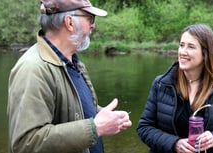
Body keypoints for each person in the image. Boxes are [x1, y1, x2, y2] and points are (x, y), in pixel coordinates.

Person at [7, 0, 132, 153]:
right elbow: (26, 144)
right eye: (90, 19)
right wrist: (95, 128)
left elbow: (72, 108)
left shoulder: (72, 61)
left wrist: (101, 115)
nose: (93, 25)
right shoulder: (32, 69)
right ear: (69, 22)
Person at [136, 24, 213, 153]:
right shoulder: (161, 84)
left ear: (206, 53)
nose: (182, 52)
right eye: (181, 45)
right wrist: (174, 144)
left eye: (190, 47)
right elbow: (144, 128)